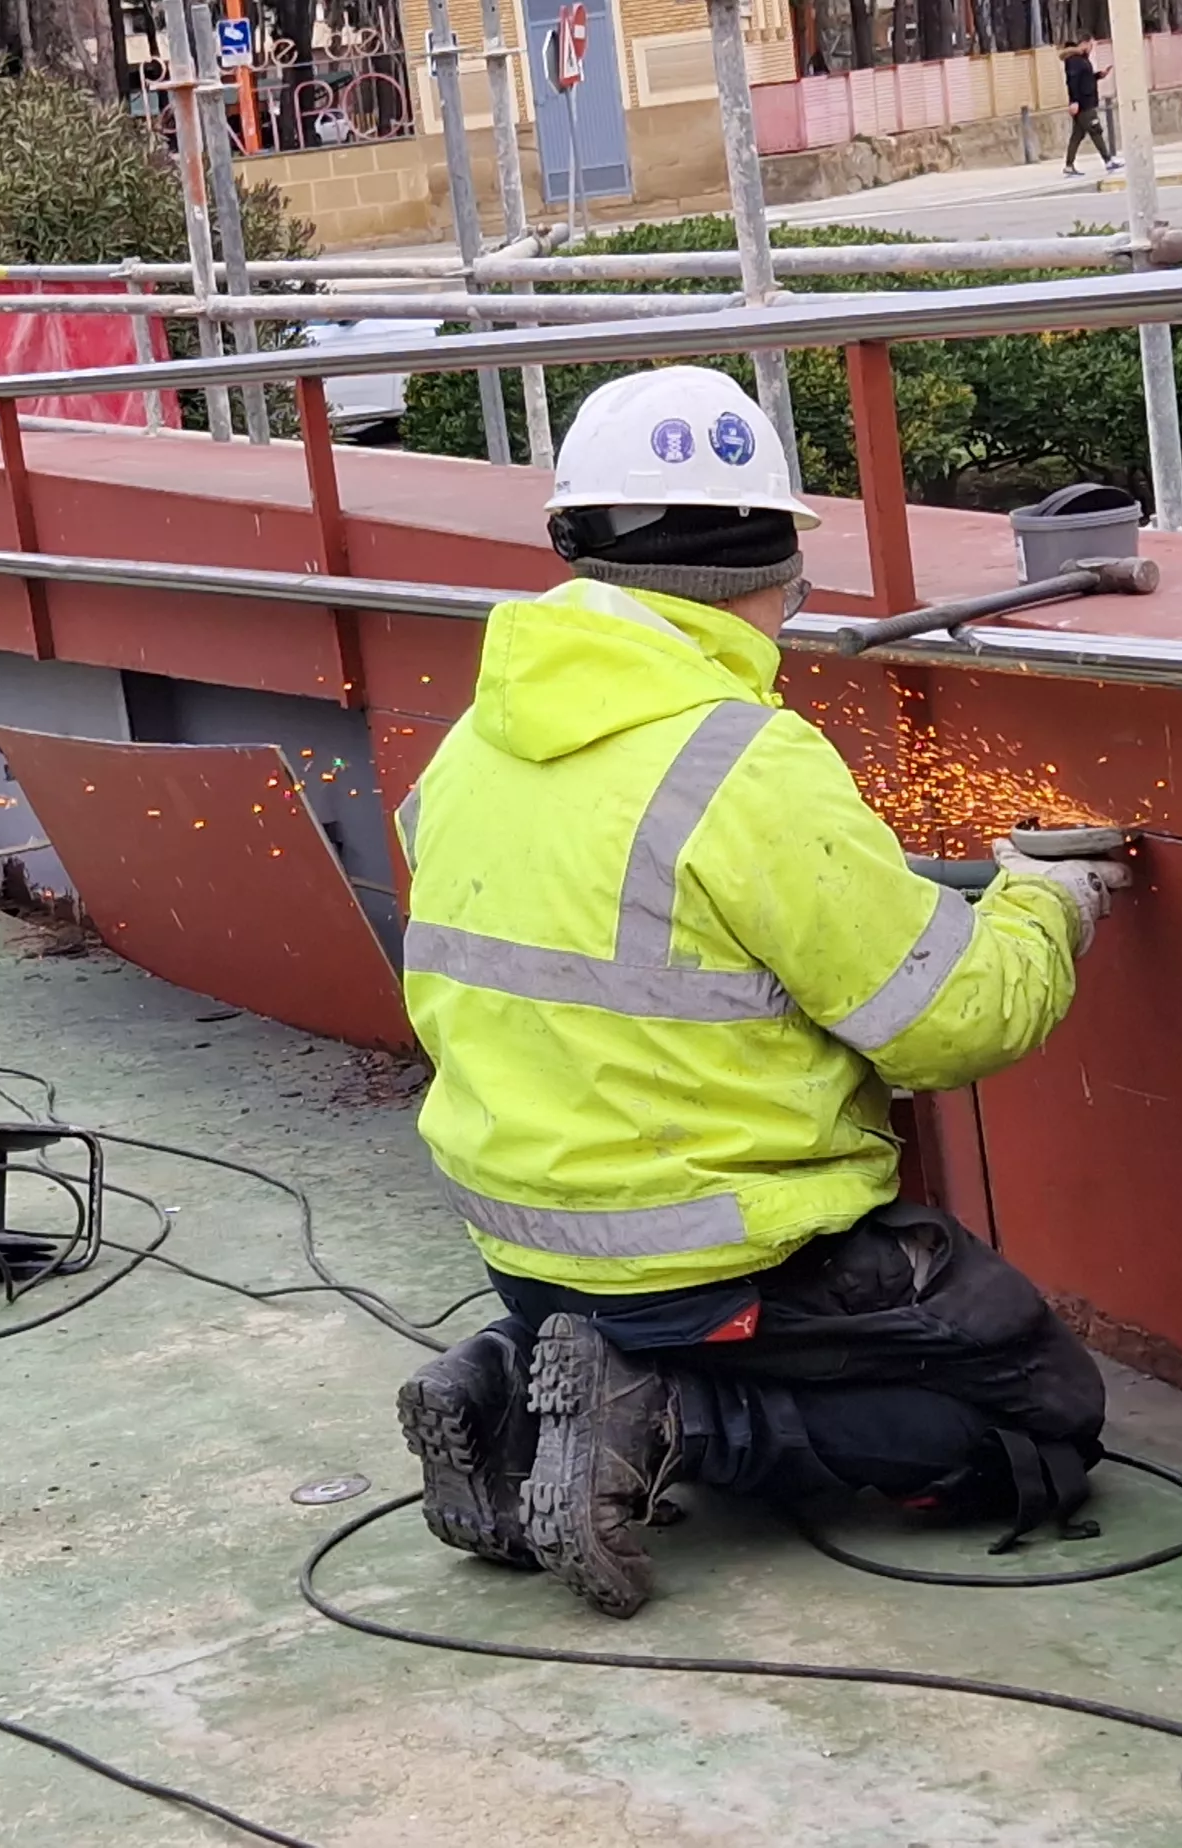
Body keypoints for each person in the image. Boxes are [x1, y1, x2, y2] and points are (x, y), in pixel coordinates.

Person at [390, 365, 1134, 1620]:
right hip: (713, 1255)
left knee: (612, 1324)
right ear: (771, 558)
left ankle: (509, 1375)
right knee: (1034, 1418)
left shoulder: (477, 738)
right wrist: (1043, 904)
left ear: (575, 542)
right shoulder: (742, 760)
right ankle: (668, 1415)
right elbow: (951, 1022)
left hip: (520, 1240)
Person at [1059, 42, 1118, 176]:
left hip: (1084, 103)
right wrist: (1074, 101)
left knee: (1077, 135)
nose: (1092, 48)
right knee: (1095, 130)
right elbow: (1073, 82)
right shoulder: (1074, 60)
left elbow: (1085, 80)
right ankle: (1108, 161)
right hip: (1084, 104)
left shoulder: (1080, 60)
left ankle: (1069, 165)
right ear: (1084, 44)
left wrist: (1098, 75)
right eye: (1091, 45)